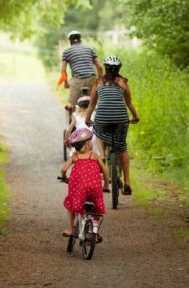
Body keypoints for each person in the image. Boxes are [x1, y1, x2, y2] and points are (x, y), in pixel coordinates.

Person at [85, 55, 139, 196]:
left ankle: (102, 155)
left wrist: (87, 119)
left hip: (102, 117)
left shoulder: (98, 82)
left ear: (106, 68)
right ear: (119, 68)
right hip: (121, 118)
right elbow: (129, 103)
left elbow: (92, 104)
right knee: (122, 148)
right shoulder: (123, 82)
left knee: (97, 129)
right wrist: (135, 117)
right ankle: (127, 181)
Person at [61, 128, 110, 239]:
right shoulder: (94, 156)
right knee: (96, 209)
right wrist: (106, 185)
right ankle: (94, 232)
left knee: (71, 204)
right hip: (95, 189)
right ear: (88, 143)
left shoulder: (75, 156)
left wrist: (64, 177)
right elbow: (106, 171)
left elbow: (63, 169)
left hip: (79, 189)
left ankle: (70, 229)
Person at [60, 30, 104, 106]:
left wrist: (66, 83)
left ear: (70, 41)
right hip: (92, 79)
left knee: (74, 105)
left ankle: (73, 115)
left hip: (77, 81)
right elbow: (99, 67)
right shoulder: (89, 49)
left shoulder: (67, 52)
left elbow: (63, 70)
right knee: (93, 104)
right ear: (80, 40)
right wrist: (99, 81)